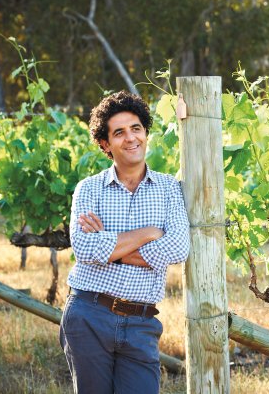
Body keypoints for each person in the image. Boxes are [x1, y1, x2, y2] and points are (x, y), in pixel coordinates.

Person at [59, 91, 190, 394]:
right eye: (119, 132)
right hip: (89, 315)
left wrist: (110, 247)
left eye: (136, 129)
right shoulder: (89, 189)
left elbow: (178, 248)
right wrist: (149, 233)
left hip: (141, 322)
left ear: (146, 134)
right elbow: (85, 249)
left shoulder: (169, 189)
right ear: (105, 144)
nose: (131, 138)